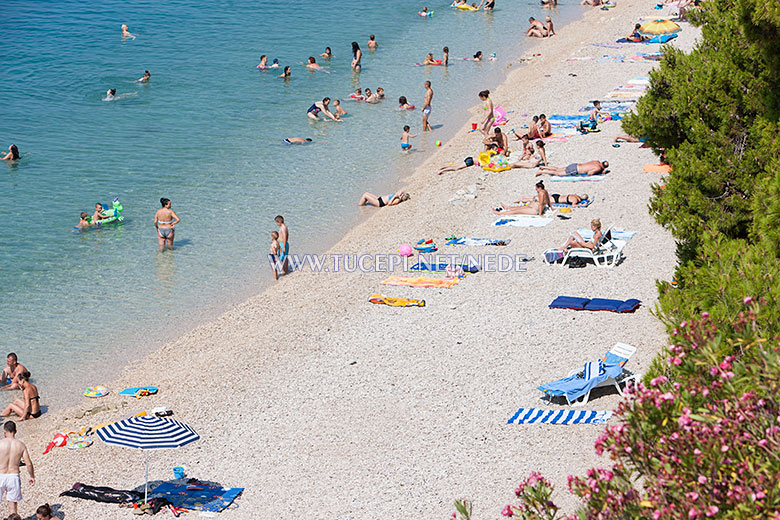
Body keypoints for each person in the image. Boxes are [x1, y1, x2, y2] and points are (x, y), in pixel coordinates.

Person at [0, 421, 34, 517]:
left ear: (4, 432)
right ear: (16, 431)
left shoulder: (0, 443)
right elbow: (28, 463)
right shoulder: (21, 445)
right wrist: (32, 476)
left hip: (0, 475)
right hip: (13, 476)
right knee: (13, 506)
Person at [538, 160, 609, 176]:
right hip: (575, 170)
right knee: (557, 173)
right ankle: (542, 172)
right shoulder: (598, 168)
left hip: (575, 165)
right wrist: (599, 172)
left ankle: (543, 167)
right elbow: (590, 173)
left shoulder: (596, 162)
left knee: (558, 168)